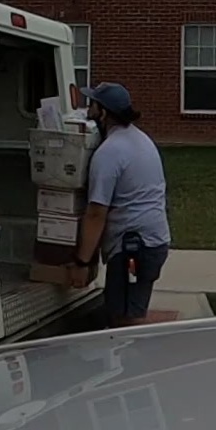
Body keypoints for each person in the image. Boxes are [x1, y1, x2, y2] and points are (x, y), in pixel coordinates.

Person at [79, 80, 170, 327]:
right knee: (128, 312)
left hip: (133, 247)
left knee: (125, 321)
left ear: (104, 113)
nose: (88, 111)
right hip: (152, 241)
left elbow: (96, 213)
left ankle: (136, 354)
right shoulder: (141, 139)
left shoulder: (109, 152)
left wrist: (82, 261)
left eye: (92, 105)